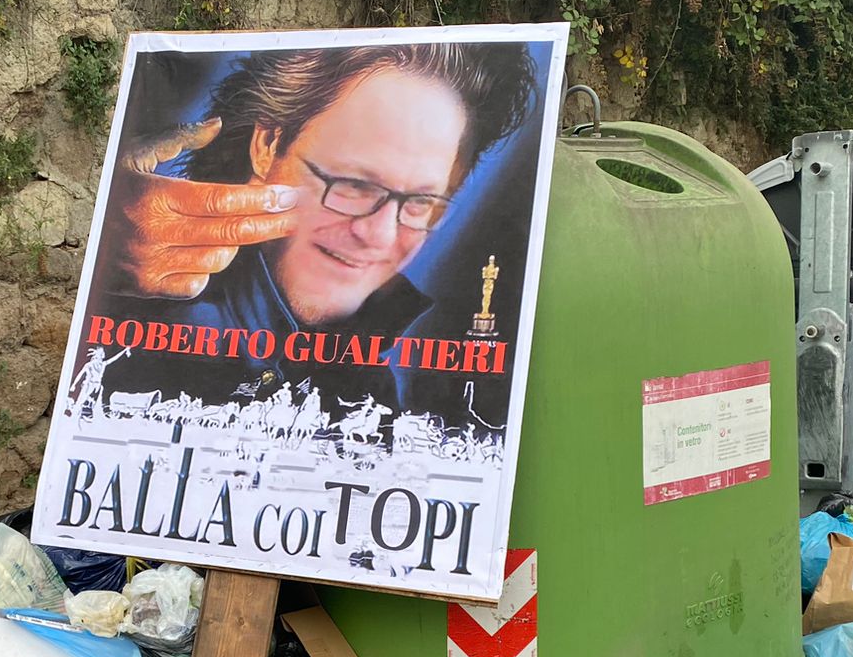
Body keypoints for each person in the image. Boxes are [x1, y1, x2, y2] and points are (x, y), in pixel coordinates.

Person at [90, 41, 538, 416]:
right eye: (354, 185)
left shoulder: (375, 389)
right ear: (267, 145)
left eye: (420, 202)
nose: (379, 236)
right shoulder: (132, 334)